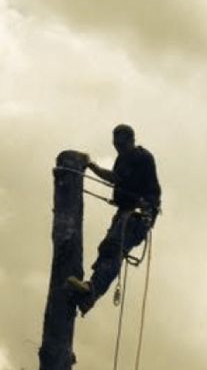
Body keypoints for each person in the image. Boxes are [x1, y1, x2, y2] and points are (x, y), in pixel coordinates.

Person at [67, 124, 161, 315]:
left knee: (113, 250)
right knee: (107, 249)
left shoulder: (142, 157)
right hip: (127, 213)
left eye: (121, 143)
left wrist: (145, 206)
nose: (118, 147)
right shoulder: (123, 159)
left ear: (131, 140)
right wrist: (91, 165)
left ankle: (91, 291)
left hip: (138, 216)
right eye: (116, 144)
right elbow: (114, 178)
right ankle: (88, 294)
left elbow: (139, 186)